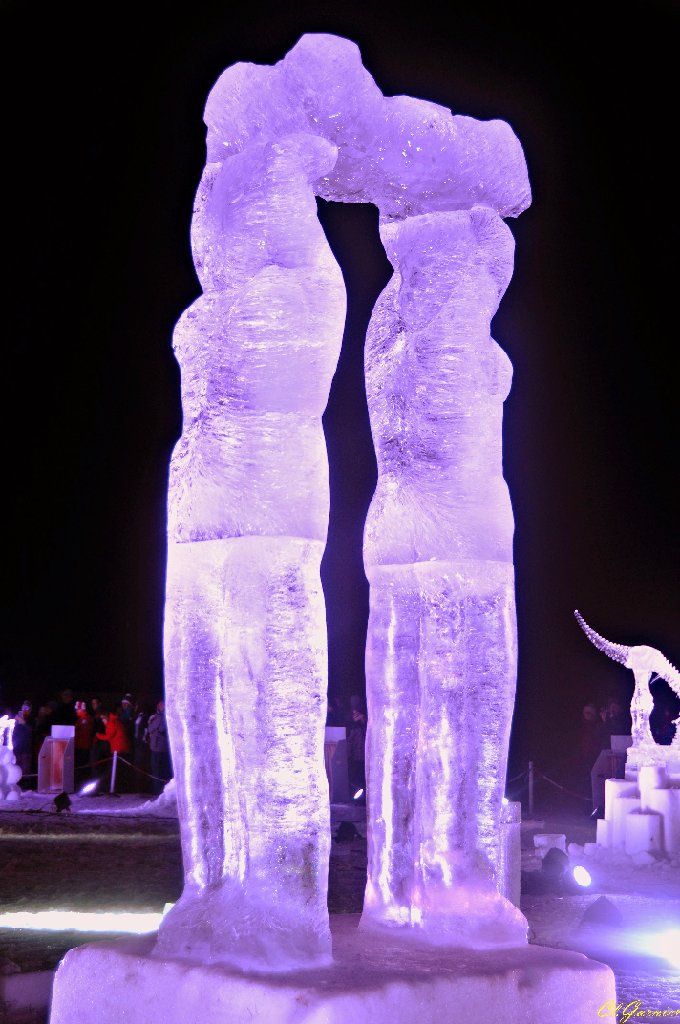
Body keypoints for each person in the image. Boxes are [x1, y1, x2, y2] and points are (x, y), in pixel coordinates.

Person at [95, 708, 131, 791]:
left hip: (118, 749)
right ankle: (116, 787)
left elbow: (108, 736)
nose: (102, 721)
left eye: (102, 718)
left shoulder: (111, 723)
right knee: (118, 770)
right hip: (121, 748)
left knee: (113, 770)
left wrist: (97, 735)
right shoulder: (114, 721)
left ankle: (112, 788)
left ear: (106, 717)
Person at [146, 700, 172, 795]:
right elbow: (150, 729)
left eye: (163, 705)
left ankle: (160, 792)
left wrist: (153, 728)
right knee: (156, 770)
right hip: (155, 747)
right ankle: (158, 791)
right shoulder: (156, 717)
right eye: (160, 705)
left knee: (159, 770)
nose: (161, 707)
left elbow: (158, 729)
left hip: (160, 748)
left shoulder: (164, 717)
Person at [346, 693, 367, 800]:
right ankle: (358, 798)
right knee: (355, 775)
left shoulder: (366, 716)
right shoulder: (349, 716)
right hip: (354, 752)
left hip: (363, 752)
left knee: (362, 775)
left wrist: (362, 720)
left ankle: (362, 798)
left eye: (357, 702)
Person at [12, 703, 34, 785]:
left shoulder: (31, 718)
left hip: (27, 748)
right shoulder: (18, 718)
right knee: (17, 766)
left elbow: (31, 730)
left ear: (30, 709)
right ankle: (18, 784)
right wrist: (16, 721)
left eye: (27, 708)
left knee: (26, 768)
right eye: (23, 707)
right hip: (17, 747)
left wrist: (23, 723)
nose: (25, 709)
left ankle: (27, 784)